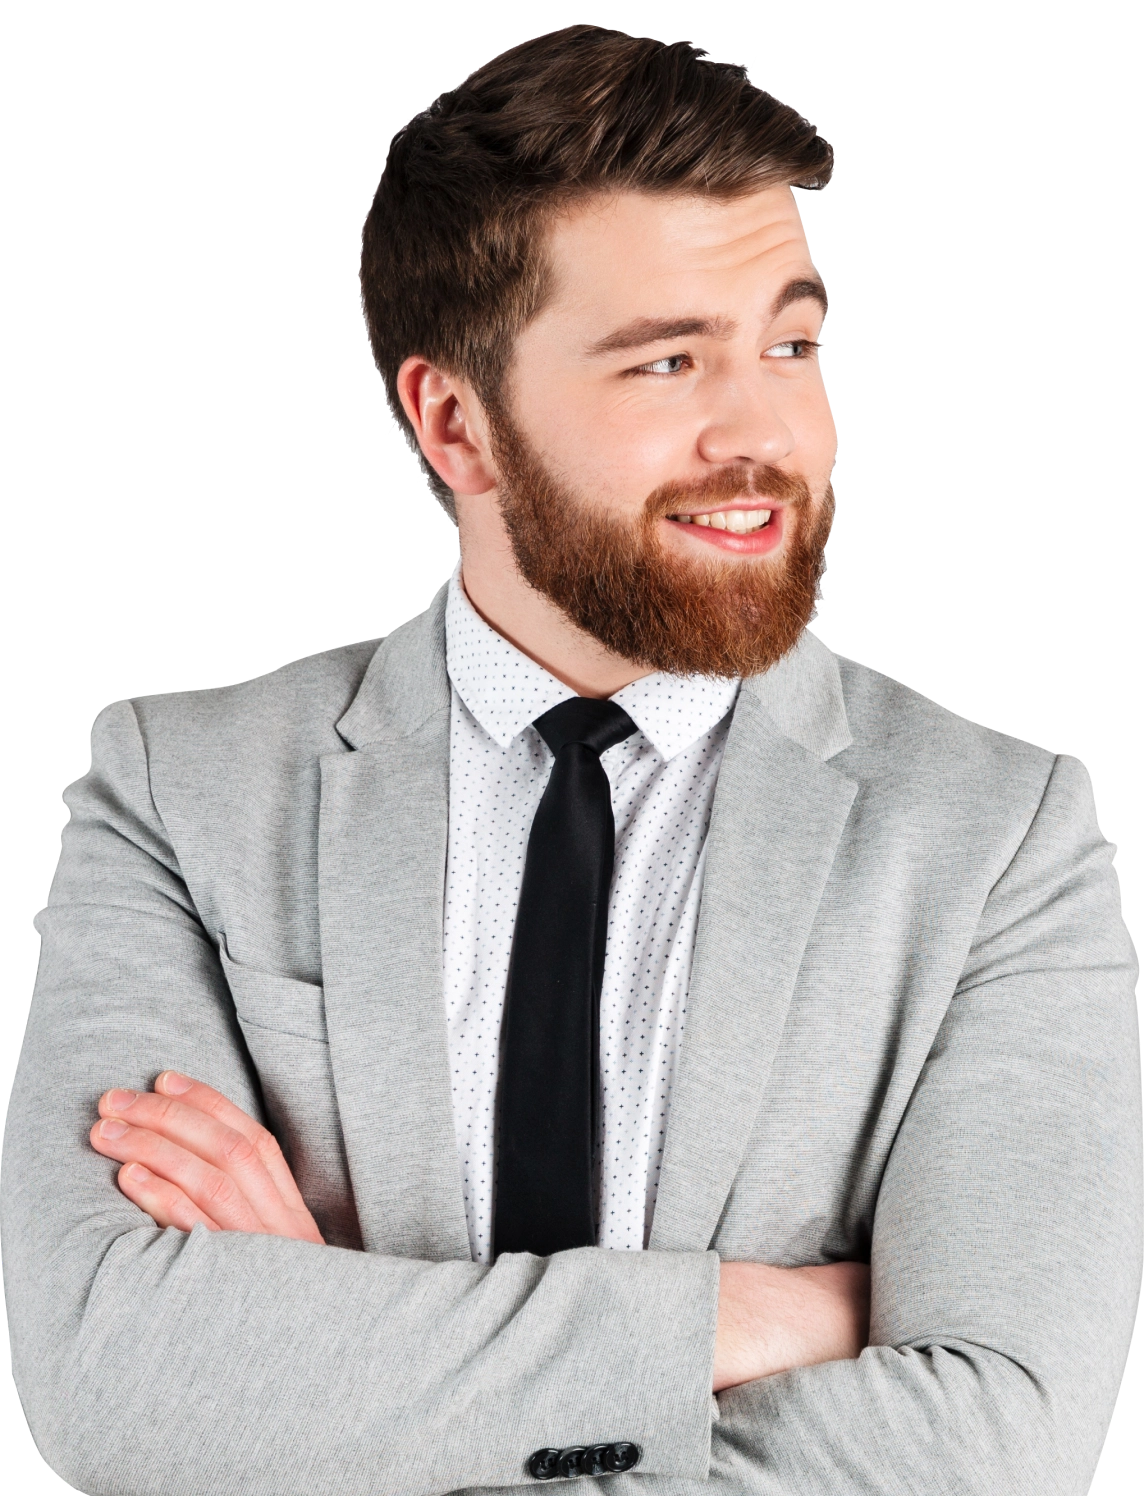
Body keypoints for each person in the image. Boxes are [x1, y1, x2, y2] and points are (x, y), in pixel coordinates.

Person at [5, 26, 1140, 1496]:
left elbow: (1000, 1437)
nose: (766, 431)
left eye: (792, 345)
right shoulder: (177, 791)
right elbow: (117, 1387)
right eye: (669, 360)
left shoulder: (1003, 838)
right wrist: (758, 1317)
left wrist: (329, 1367)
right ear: (457, 424)